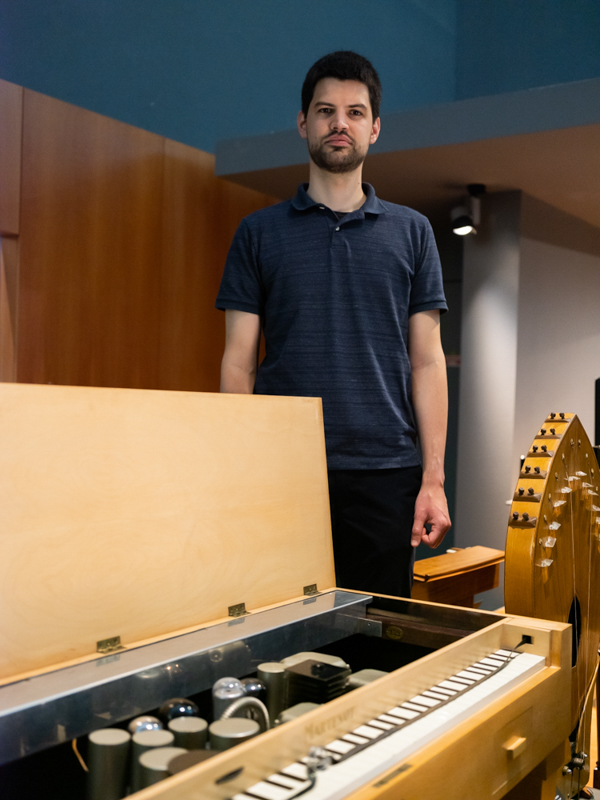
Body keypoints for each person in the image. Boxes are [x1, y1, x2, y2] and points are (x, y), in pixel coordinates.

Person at [216, 51, 451, 597]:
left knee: (373, 647)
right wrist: (236, 468)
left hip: (386, 474)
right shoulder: (258, 235)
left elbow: (428, 361)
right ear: (303, 124)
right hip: (281, 473)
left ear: (375, 127)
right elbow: (237, 361)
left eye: (354, 111)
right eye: (325, 111)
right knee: (278, 642)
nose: (339, 123)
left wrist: (432, 479)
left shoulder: (414, 233)